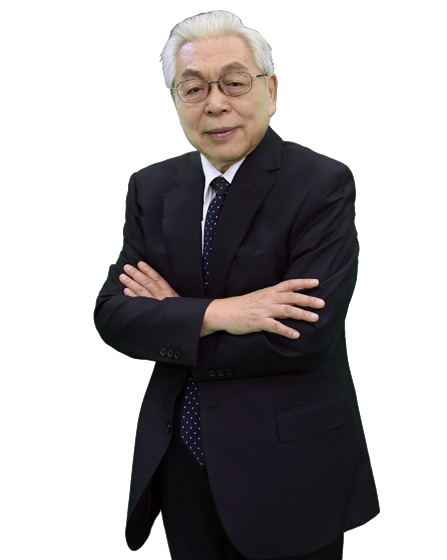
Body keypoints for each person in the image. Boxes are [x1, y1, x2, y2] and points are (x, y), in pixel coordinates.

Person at [94, 10, 379, 560]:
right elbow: (113, 315)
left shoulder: (320, 184)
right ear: (176, 100)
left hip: (289, 464)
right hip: (181, 459)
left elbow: (303, 335)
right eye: (194, 87)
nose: (215, 103)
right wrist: (221, 313)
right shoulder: (152, 188)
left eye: (233, 82)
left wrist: (173, 318)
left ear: (269, 91)